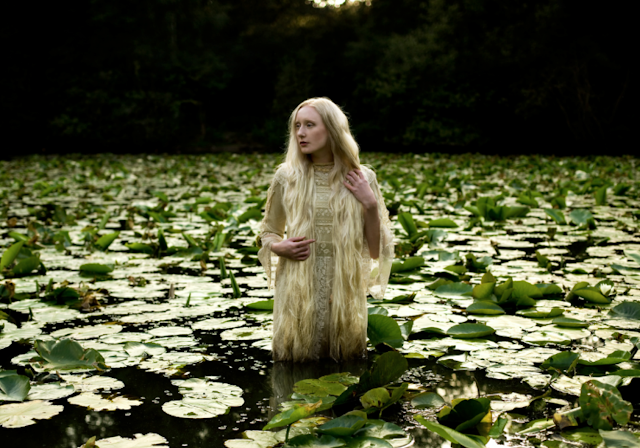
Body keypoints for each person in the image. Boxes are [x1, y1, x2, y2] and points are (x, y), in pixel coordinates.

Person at [258, 97, 394, 362]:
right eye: (297, 126)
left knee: (345, 364)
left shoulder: (362, 178)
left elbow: (376, 250)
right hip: (298, 286)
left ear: (332, 129)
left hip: (343, 288)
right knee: (295, 365)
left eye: (310, 125)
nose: (301, 133)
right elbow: (268, 232)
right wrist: (278, 247)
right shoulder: (287, 177)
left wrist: (369, 205)